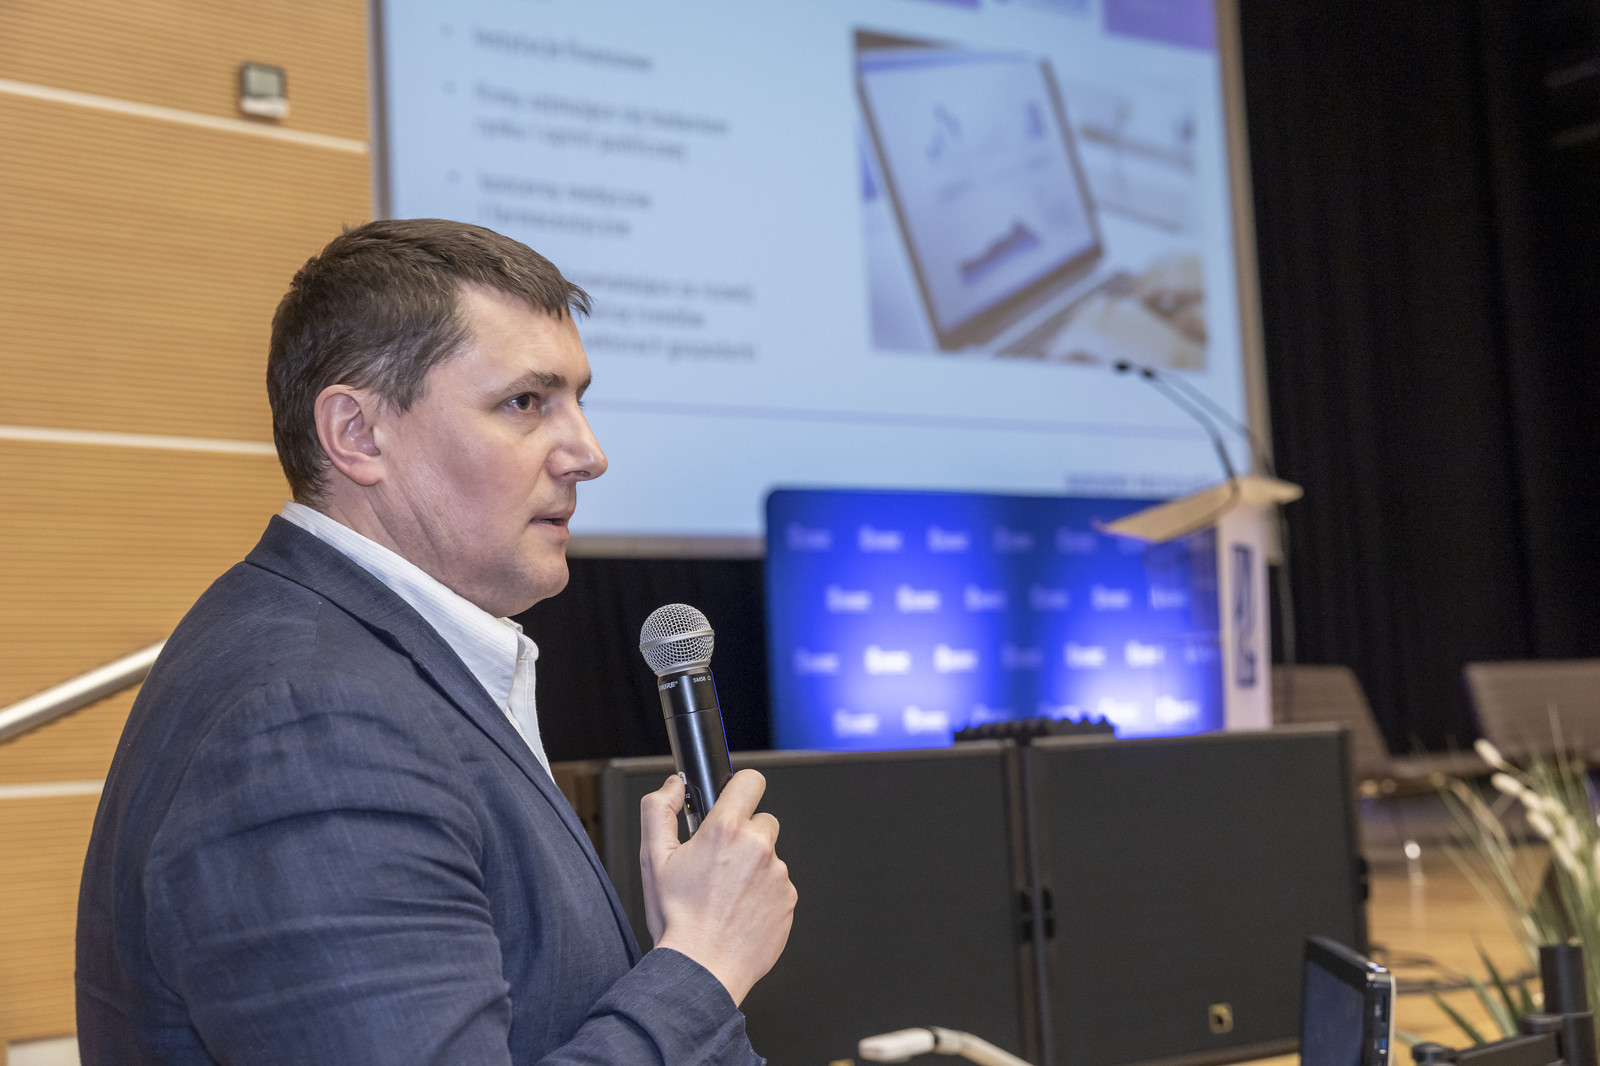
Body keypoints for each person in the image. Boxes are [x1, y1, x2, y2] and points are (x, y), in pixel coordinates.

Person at [75, 219, 796, 1064]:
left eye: (578, 401)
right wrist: (701, 966)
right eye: (524, 403)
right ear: (357, 434)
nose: (588, 454)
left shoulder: (362, 667)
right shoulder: (311, 722)